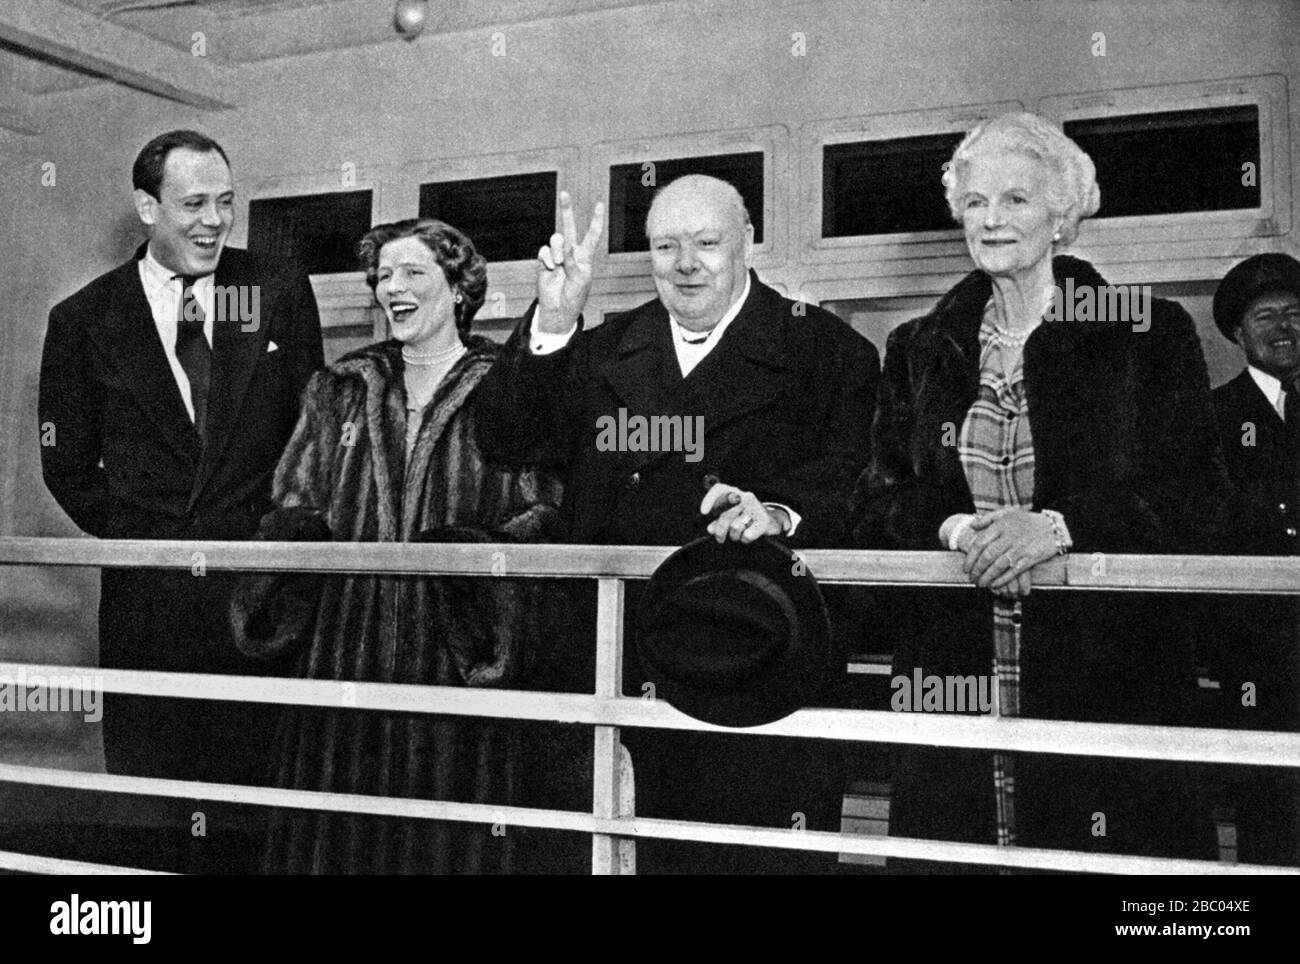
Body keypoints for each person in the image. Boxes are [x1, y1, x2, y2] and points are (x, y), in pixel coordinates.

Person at [853, 112, 1233, 867]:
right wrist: (957, 530)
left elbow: (1196, 499)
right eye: (975, 201)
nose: (992, 219)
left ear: (1062, 215)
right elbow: (876, 503)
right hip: (953, 672)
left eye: (1017, 199)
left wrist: (1059, 527)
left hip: (1109, 671)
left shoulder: (1146, 333)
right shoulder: (920, 347)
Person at [476, 174, 880, 873]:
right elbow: (505, 440)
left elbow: (858, 489)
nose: (686, 263)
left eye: (707, 242)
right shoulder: (602, 346)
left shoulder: (827, 351)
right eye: (666, 246)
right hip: (611, 664)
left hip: (752, 666)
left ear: (748, 242)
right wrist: (551, 323)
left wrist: (778, 512)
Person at [229, 218, 562, 874]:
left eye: (413, 272)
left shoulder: (506, 386)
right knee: (337, 837)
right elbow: (293, 504)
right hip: (344, 657)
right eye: (383, 276)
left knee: (446, 843)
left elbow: (544, 512)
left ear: (459, 288)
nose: (393, 287)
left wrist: (469, 560)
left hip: (455, 664)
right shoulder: (340, 388)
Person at [38, 129, 323, 871]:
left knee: (261, 814)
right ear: (145, 206)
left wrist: (272, 551)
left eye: (225, 203)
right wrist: (147, 542)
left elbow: (312, 437)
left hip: (261, 608)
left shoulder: (274, 292)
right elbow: (65, 465)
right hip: (148, 612)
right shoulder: (83, 321)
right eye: (193, 203)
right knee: (153, 813)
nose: (213, 221)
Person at [1206, 252, 1300, 865]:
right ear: (1239, 334)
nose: (1284, 327)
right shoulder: (1211, 419)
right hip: (1257, 652)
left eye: (1295, 313)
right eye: (1265, 316)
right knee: (1270, 806)